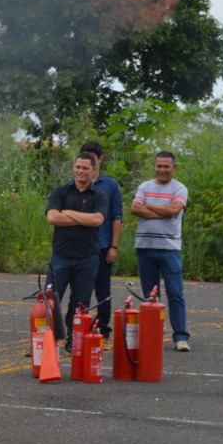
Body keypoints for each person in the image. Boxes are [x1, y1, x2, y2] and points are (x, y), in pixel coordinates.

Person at [46, 151, 108, 350]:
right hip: (61, 256)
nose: (80, 171)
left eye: (85, 168)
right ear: (73, 167)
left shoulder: (99, 195)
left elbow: (97, 220)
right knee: (50, 300)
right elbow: (53, 218)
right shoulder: (61, 192)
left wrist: (70, 213)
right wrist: (84, 218)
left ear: (94, 170)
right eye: (78, 167)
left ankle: (74, 341)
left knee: (80, 303)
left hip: (87, 257)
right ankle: (47, 340)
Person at [130, 151, 190, 351]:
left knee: (175, 293)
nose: (162, 170)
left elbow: (174, 211)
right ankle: (152, 335)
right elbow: (135, 208)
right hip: (145, 247)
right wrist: (161, 211)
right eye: (159, 166)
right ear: (153, 166)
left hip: (169, 249)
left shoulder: (179, 188)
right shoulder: (144, 186)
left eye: (167, 166)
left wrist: (148, 206)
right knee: (150, 296)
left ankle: (180, 336)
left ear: (175, 167)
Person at [80, 140, 123, 340]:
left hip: (104, 244)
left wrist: (114, 245)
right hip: (81, 246)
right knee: (81, 291)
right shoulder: (76, 184)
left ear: (100, 160)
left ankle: (103, 327)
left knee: (103, 290)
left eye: (93, 158)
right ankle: (81, 326)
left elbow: (117, 217)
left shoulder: (110, 185)